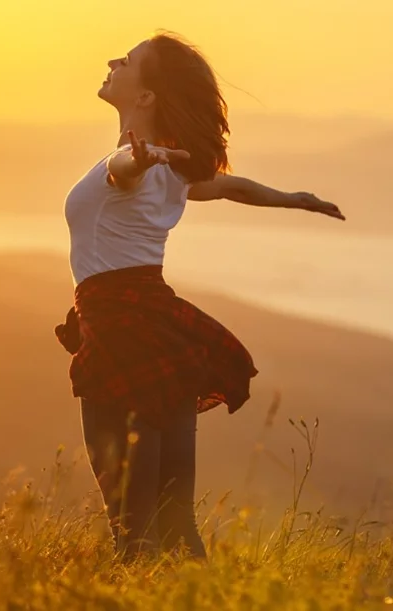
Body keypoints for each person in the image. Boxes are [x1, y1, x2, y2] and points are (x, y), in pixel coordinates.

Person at [54, 31, 344, 562]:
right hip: (159, 330)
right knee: (174, 519)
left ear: (146, 96)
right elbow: (233, 187)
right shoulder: (169, 170)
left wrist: (139, 158)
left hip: (121, 333)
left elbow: (125, 172)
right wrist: (294, 199)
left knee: (132, 528)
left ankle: (149, 591)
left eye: (128, 60)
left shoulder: (137, 165)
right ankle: (197, 592)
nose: (114, 61)